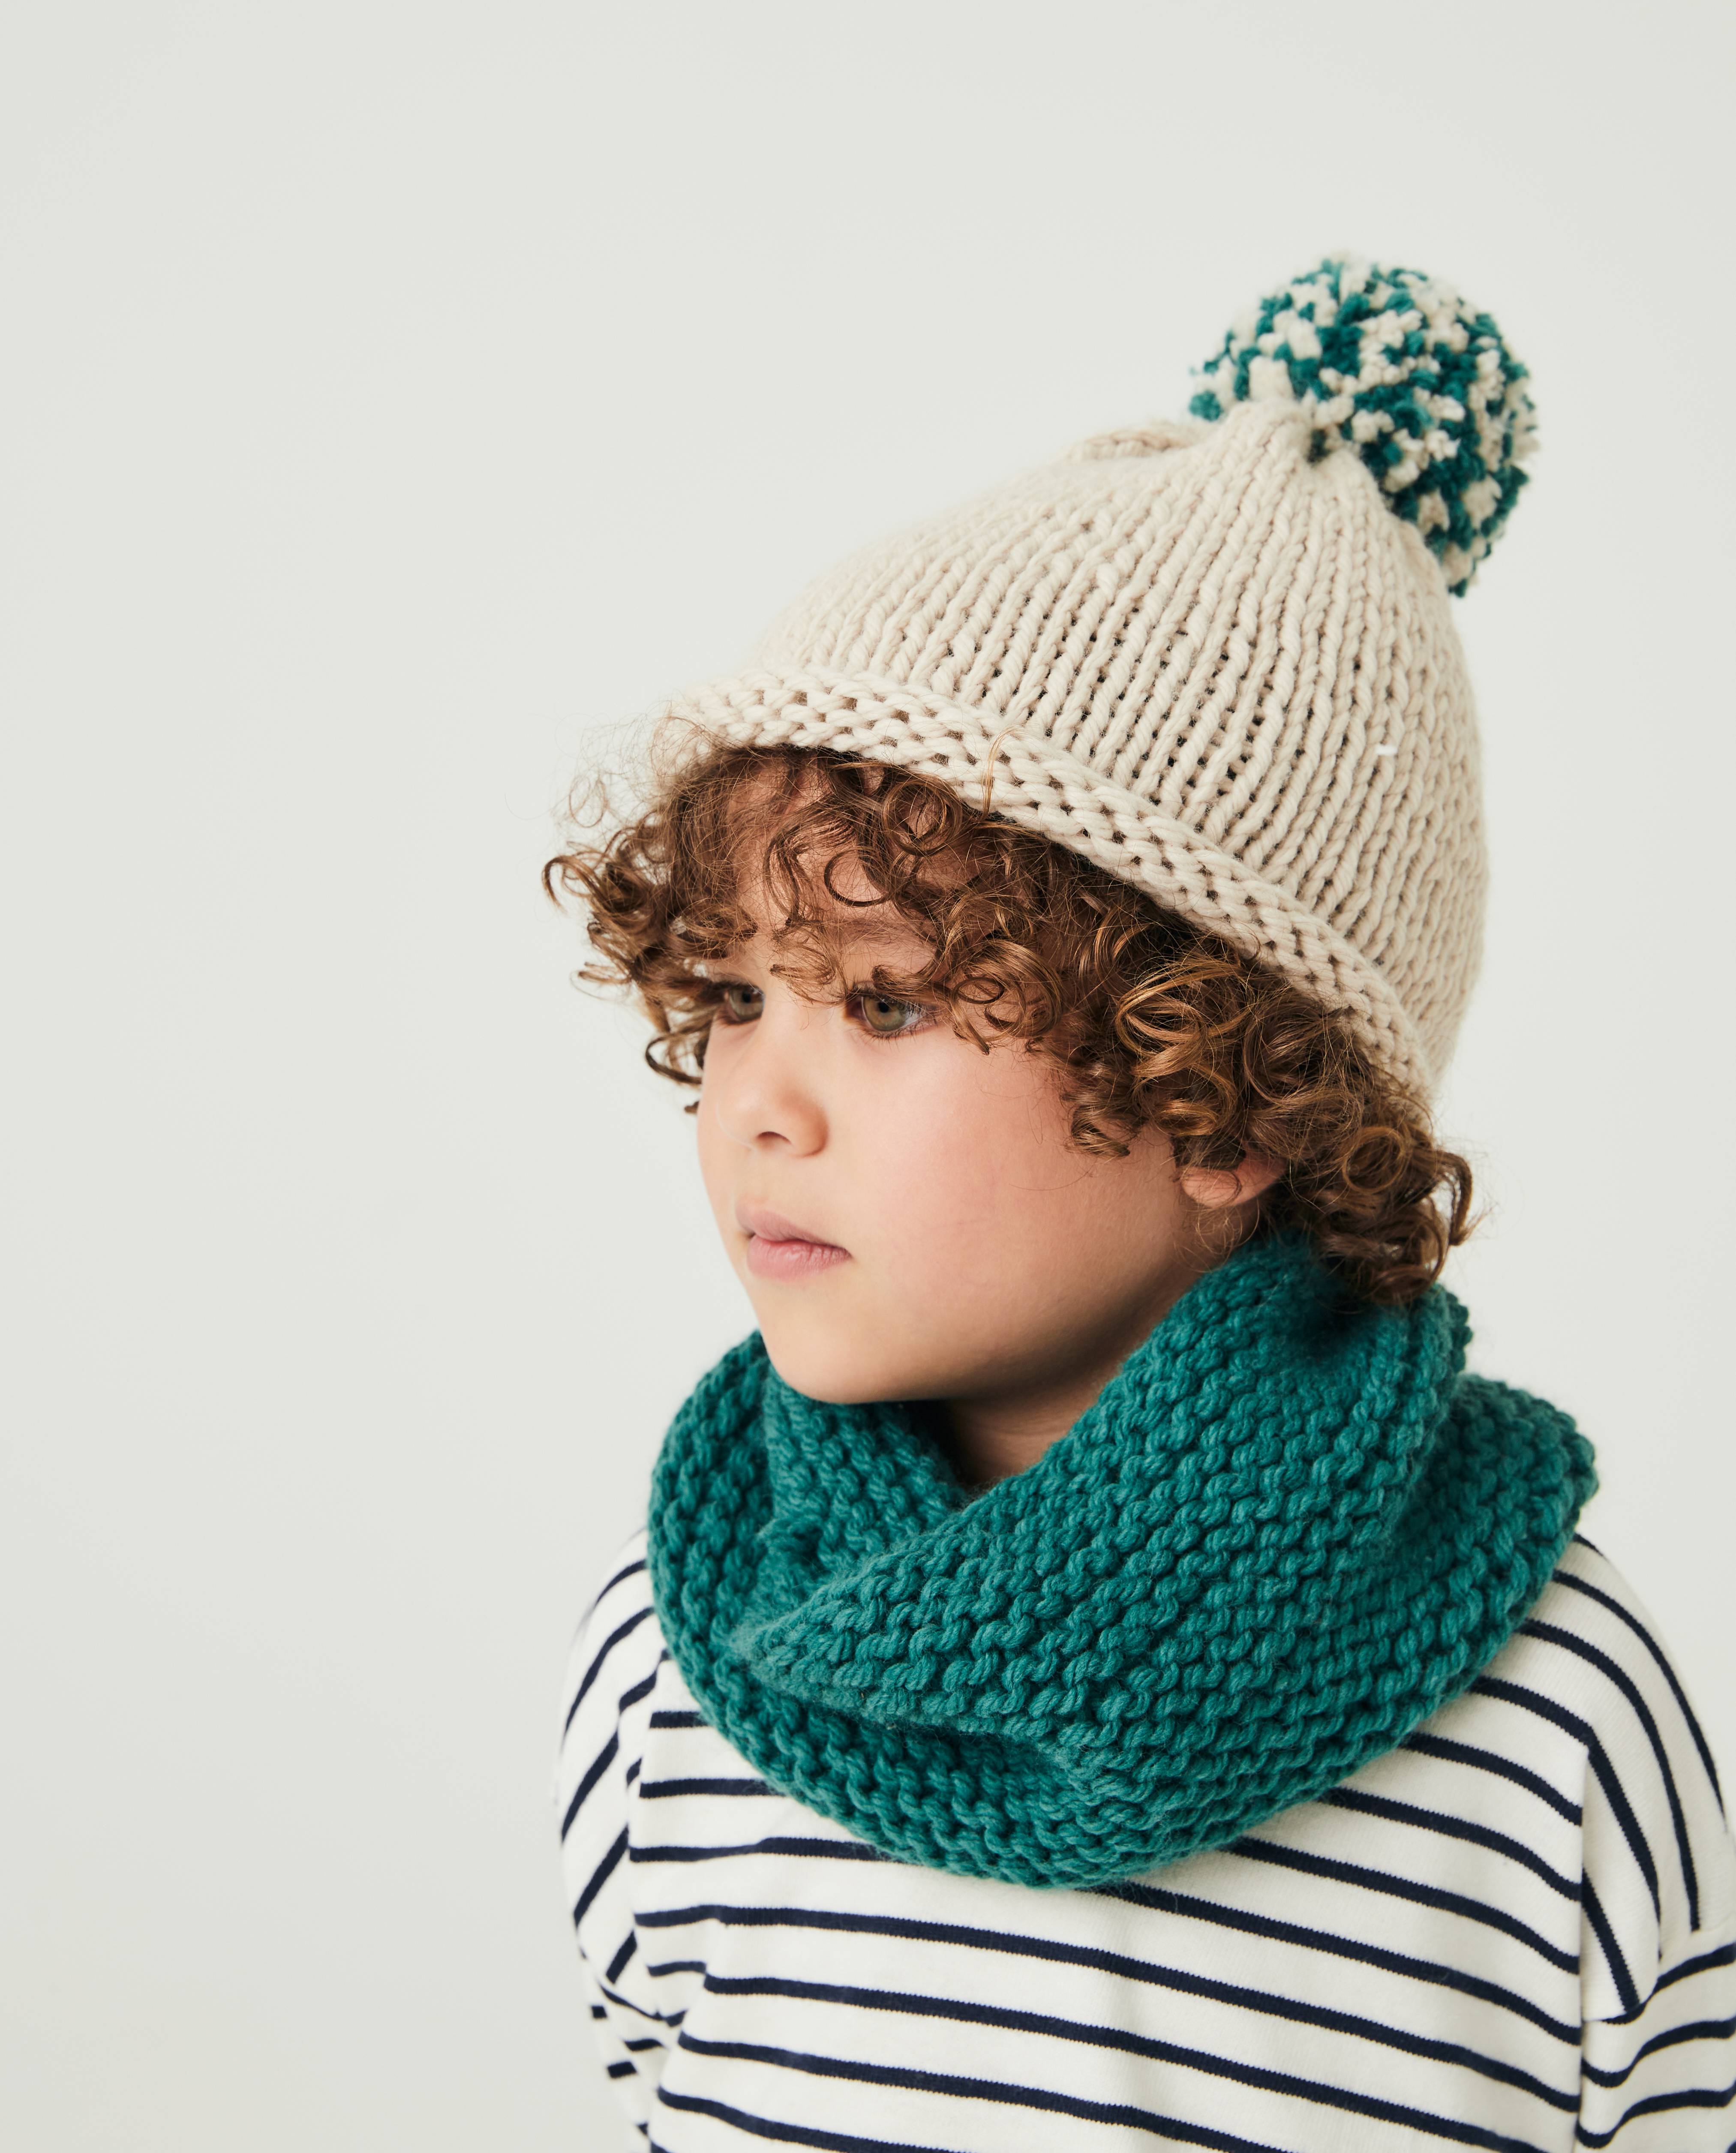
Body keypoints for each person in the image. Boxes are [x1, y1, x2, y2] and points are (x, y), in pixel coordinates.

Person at [546, 258, 1736, 2150]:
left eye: (884, 1004)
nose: (754, 1101)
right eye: (737, 994)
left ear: (1225, 1098)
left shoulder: (1551, 1718)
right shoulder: (682, 1659)